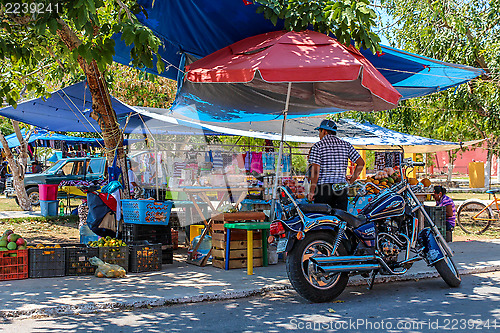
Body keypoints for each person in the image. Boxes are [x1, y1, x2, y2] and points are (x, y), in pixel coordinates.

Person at [307, 119, 365, 211]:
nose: (319, 135)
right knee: (340, 219)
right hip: (341, 189)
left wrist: (312, 191)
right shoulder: (346, 145)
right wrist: (351, 181)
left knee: (323, 219)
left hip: (323, 189)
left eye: (319, 132)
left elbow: (315, 170)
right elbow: (361, 163)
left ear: (324, 131)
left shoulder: (317, 146)